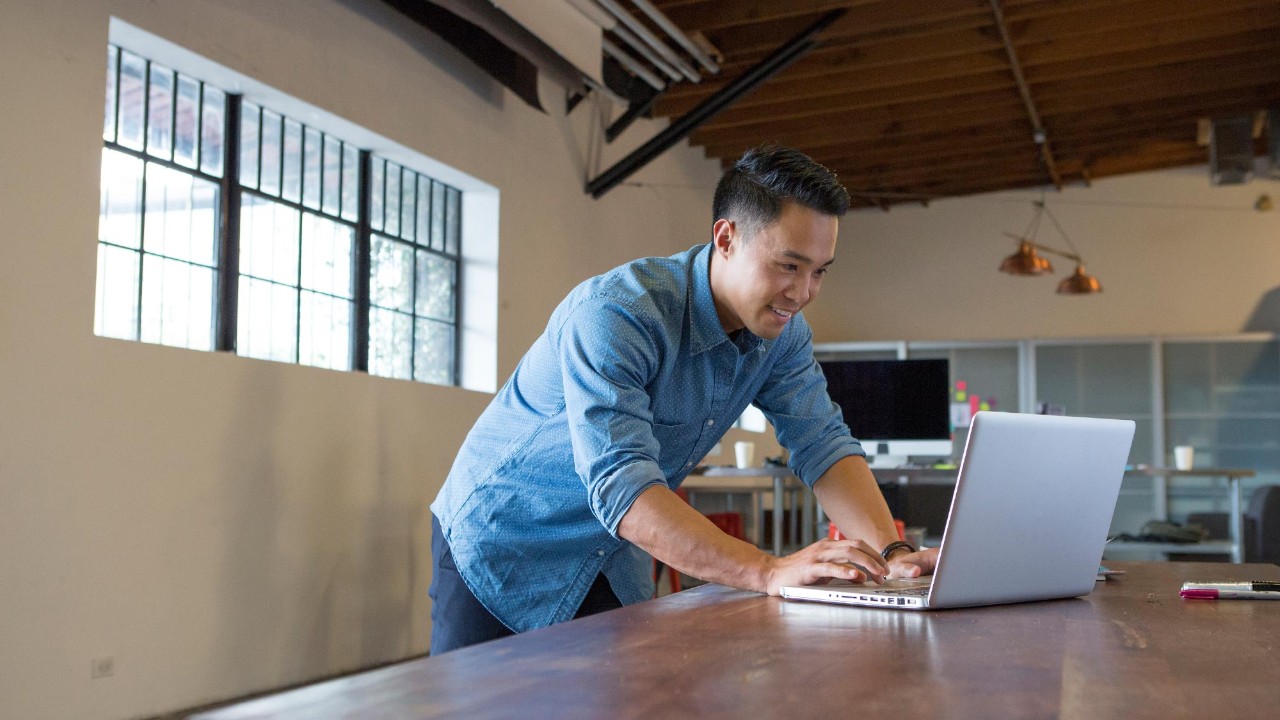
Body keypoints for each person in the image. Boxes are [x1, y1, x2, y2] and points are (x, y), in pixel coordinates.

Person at [429, 145, 939, 654]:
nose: (802, 292)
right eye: (788, 265)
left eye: (820, 271)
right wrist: (768, 569)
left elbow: (821, 441)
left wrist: (895, 555)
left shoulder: (782, 334)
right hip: (504, 543)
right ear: (726, 238)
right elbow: (621, 484)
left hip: (610, 553)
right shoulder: (619, 314)